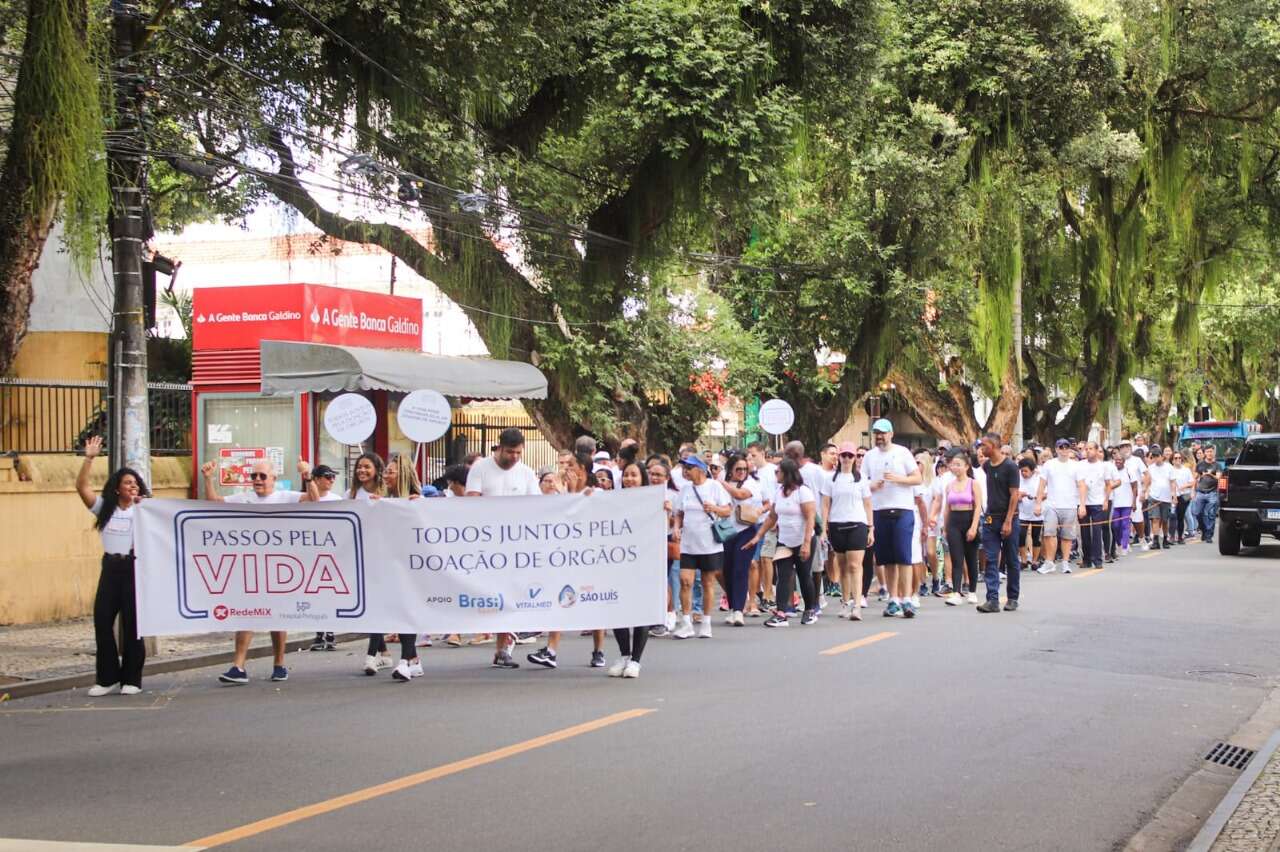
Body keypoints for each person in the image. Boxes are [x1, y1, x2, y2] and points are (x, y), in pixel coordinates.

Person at [200, 454, 317, 684]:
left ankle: (279, 664)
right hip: (250, 566)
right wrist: (208, 479)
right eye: (254, 476)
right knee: (246, 612)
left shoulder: (285, 496)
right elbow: (214, 502)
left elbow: (314, 501)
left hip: (278, 566)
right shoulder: (244, 498)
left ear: (273, 478)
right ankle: (238, 666)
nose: (257, 479)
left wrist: (308, 475)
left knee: (277, 615)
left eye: (262, 476)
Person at [76, 436, 150, 696]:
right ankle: (106, 678)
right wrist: (89, 458)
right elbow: (81, 487)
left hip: (134, 569)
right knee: (102, 620)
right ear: (117, 488)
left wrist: (147, 507)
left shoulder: (145, 509)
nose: (132, 486)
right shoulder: (105, 508)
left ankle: (132, 678)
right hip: (110, 568)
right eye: (127, 482)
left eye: (135, 483)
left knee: (133, 624)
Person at [466, 428, 542, 669]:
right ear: (499, 448)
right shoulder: (480, 468)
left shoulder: (527, 473)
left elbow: (539, 506)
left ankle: (503, 647)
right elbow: (471, 501)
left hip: (516, 546)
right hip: (485, 545)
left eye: (518, 453)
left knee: (510, 594)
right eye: (510, 452)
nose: (514, 457)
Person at [527, 449, 609, 668]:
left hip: (589, 557)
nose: (566, 469)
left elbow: (582, 517)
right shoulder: (560, 492)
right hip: (564, 556)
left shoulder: (595, 494)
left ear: (582, 469)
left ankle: (598, 650)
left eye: (570, 465)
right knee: (559, 597)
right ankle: (551, 650)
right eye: (564, 465)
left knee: (594, 603)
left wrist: (571, 492)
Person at [743, 459, 817, 627]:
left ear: (787, 473)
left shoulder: (803, 492)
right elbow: (772, 516)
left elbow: (810, 518)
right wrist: (758, 536)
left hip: (803, 539)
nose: (775, 474)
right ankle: (781, 613)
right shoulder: (779, 491)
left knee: (804, 576)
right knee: (783, 576)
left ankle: (809, 610)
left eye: (778, 471)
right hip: (784, 540)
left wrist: (806, 544)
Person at [862, 420, 922, 618]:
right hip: (880, 510)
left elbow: (917, 478)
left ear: (891, 433)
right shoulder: (869, 456)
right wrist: (873, 485)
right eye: (877, 433)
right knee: (887, 558)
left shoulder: (902, 452)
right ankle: (893, 599)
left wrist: (898, 479)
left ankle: (907, 599)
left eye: (883, 433)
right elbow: (862, 484)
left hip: (903, 510)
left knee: (904, 557)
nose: (880, 436)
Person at [672, 455, 732, 638]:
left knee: (707, 583)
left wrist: (714, 508)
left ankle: (706, 622)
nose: (685, 471)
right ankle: (687, 623)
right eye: (684, 468)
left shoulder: (714, 487)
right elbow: (679, 513)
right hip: (689, 544)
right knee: (685, 581)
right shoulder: (685, 489)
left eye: (689, 468)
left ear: (700, 469)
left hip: (709, 544)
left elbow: (728, 510)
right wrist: (676, 527)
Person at [610, 461, 653, 678]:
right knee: (618, 609)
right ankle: (624, 655)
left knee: (640, 612)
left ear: (642, 478)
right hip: (618, 563)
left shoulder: (652, 500)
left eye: (634, 475)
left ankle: (636, 660)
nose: (629, 479)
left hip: (643, 562)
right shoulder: (614, 500)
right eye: (626, 475)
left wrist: (665, 510)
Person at [821, 443, 873, 621]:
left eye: (850, 456)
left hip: (857, 524)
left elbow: (867, 504)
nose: (847, 459)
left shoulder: (861, 479)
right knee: (842, 566)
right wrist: (824, 528)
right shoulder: (830, 479)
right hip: (837, 524)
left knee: (855, 566)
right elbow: (826, 504)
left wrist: (870, 528)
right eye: (844, 455)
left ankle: (857, 604)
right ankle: (845, 601)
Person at [978, 433, 1021, 613]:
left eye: (984, 446)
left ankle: (1012, 597)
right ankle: (992, 599)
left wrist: (1008, 521)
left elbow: (1014, 495)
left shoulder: (1010, 467)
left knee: (1011, 559)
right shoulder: (987, 466)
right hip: (990, 518)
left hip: (1008, 517)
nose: (981, 449)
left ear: (994, 446)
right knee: (991, 558)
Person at [720, 453, 763, 626]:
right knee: (727, 570)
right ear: (730, 469)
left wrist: (721, 482)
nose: (742, 472)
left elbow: (740, 495)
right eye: (738, 469)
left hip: (746, 530)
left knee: (740, 569)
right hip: (725, 531)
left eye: (745, 469)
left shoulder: (751, 483)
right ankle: (732, 607)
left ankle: (738, 610)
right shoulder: (719, 484)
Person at [941, 449, 983, 606]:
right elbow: (947, 507)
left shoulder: (973, 483)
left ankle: (972, 591)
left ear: (966, 466)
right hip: (954, 521)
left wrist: (973, 527)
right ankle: (956, 592)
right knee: (956, 558)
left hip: (969, 518)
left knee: (971, 558)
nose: (955, 468)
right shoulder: (949, 485)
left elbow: (978, 506)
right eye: (953, 465)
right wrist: (944, 527)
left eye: (958, 465)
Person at [1036, 439, 1084, 575]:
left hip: (1070, 505)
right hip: (1052, 504)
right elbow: (1041, 485)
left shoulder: (1076, 465)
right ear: (1056, 449)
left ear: (1069, 449)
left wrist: (1082, 505)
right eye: (1060, 447)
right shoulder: (1049, 465)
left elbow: (1081, 486)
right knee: (1049, 533)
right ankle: (1049, 562)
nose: (1063, 450)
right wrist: (1038, 503)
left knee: (1067, 536)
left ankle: (1065, 562)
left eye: (1066, 447)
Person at [308, 463, 341, 652]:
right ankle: (319, 633)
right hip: (313, 552)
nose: (331, 480)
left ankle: (330, 632)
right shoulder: (306, 497)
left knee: (330, 593)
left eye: (333, 477)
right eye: (327, 476)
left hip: (332, 551)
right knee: (316, 594)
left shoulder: (337, 499)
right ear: (317, 479)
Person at [646, 458, 680, 637]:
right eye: (652, 474)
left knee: (662, 578)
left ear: (667, 477)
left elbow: (679, 522)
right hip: (645, 540)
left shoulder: (673, 496)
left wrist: (670, 512)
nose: (654, 478)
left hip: (664, 539)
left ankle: (663, 617)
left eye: (659, 475)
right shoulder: (641, 493)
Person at [1077, 442, 1113, 570]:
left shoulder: (1104, 466)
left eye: (1091, 449)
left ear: (1097, 450)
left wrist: (1105, 500)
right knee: (1084, 532)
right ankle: (1086, 559)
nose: (1088, 451)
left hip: (1098, 502)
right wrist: (1081, 504)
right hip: (1083, 503)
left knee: (1097, 531)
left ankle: (1098, 560)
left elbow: (1108, 484)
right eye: (1086, 449)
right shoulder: (1080, 465)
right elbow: (1080, 484)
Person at [1017, 458, 1043, 572]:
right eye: (1022, 471)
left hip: (1037, 511)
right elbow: (1015, 494)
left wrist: (1037, 497)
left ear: (1032, 471)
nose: (1024, 473)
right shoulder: (1018, 479)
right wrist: (1021, 495)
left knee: (1035, 536)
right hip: (1023, 512)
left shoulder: (1038, 478)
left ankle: (1035, 560)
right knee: (1021, 535)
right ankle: (1023, 560)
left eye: (1026, 471)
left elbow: (1045, 492)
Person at [1108, 452, 1136, 558]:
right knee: (1115, 526)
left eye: (1120, 460)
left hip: (1127, 503)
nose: (1118, 462)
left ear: (1124, 461)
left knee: (1125, 525)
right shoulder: (1111, 472)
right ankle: (1119, 543)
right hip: (1114, 503)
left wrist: (1134, 502)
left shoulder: (1129, 471)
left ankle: (1124, 546)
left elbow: (1134, 487)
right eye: (1116, 460)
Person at [1146, 449, 1175, 550]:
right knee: (1155, 519)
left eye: (1157, 456)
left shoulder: (1169, 467)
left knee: (1165, 520)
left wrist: (1174, 495)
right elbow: (1147, 481)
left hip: (1165, 498)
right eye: (1153, 457)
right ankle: (1155, 541)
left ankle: (1165, 539)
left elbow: (1172, 482)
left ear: (1161, 456)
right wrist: (1144, 492)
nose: (1155, 459)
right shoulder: (1150, 468)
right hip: (1154, 496)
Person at [1191, 446, 1220, 544]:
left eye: (1211, 451)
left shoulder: (1217, 465)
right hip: (1200, 492)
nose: (1209, 453)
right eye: (1207, 452)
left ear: (1214, 453)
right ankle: (1203, 529)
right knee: (1197, 513)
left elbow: (1218, 478)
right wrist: (1193, 491)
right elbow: (1195, 477)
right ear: (1205, 453)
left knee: (1211, 514)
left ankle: (1209, 535)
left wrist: (1210, 474)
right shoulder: (1200, 464)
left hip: (1212, 492)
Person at [1171, 451, 1194, 544]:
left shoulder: (1186, 470)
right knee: (1172, 516)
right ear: (1172, 460)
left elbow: (1192, 482)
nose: (1178, 460)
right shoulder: (1170, 470)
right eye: (1175, 458)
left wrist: (1184, 486)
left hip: (1184, 496)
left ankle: (1180, 536)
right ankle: (1171, 536)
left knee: (1180, 516)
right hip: (1173, 496)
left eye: (1179, 458)